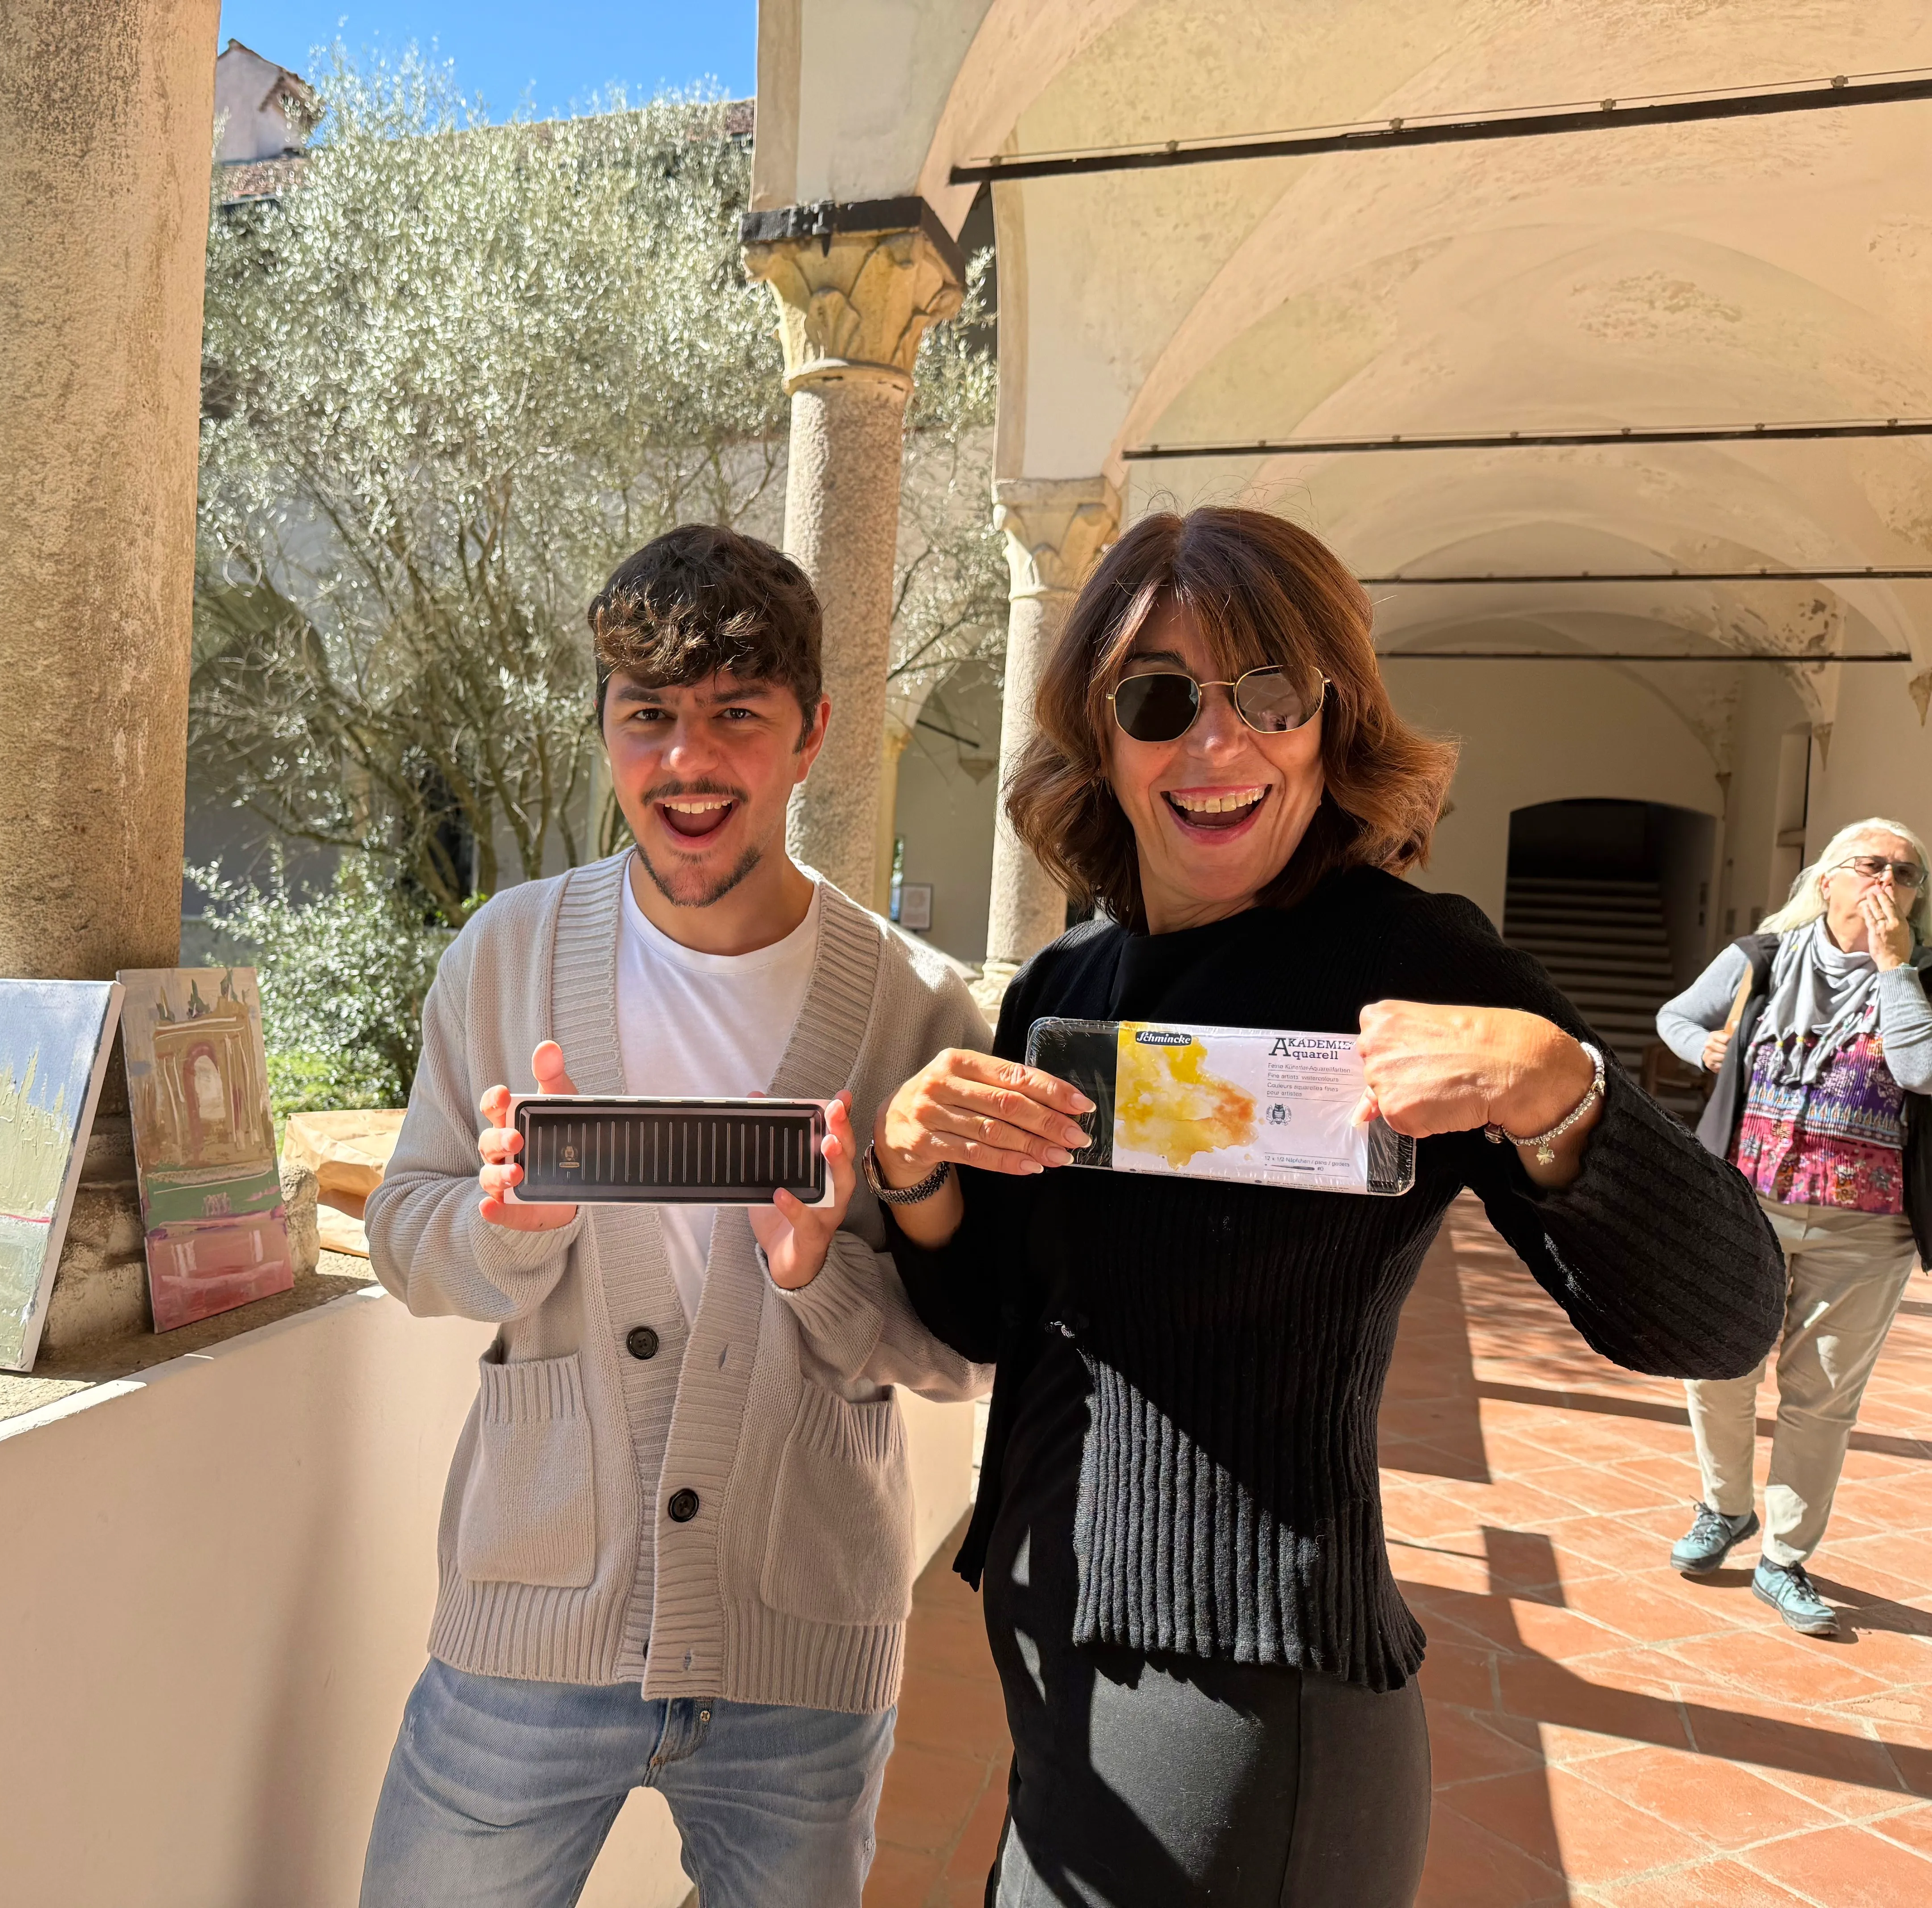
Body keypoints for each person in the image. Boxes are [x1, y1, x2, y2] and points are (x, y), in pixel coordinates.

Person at [865, 507, 1785, 1908]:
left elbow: (1728, 1317)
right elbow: (1003, 1321)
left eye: (1271, 695)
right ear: (1101, 740)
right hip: (1057, 1658)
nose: (1215, 743)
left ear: (1332, 721)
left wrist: (1563, 1095)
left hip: (1238, 1704)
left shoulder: (1411, 960)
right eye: (1160, 700)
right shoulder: (1069, 987)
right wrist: (917, 1176)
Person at [357, 523, 993, 1908]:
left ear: (812, 734)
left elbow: (970, 1352)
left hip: (803, 1649)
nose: (687, 762)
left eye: (736, 717)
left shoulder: (921, 1009)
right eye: (649, 716)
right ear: (603, 727)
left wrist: (825, 1275)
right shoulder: (506, 956)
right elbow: (404, 1230)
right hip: (527, 1628)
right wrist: (506, 1229)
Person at [1654, 819, 1932, 1634]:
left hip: (1867, 1230)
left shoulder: (1921, 978)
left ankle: (1785, 1557)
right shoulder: (1761, 960)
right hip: (1747, 1203)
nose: (1889, 882)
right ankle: (1725, 1506)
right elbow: (1676, 1018)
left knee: (1821, 1399)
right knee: (1716, 1361)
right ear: (1828, 880)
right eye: (1872, 865)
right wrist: (1709, 1048)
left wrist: (1892, 969)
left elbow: (1920, 1069)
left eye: (1908, 874)